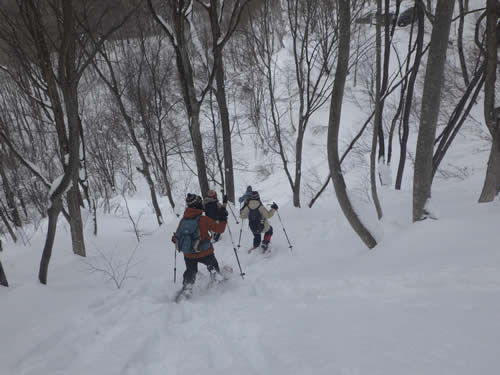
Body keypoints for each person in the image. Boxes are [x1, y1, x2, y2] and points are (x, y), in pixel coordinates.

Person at [172, 193, 228, 287]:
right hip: (205, 252)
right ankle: (215, 277)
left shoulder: (183, 220)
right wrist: (223, 219)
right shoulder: (204, 219)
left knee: (191, 271)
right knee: (213, 264)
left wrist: (175, 239)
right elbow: (220, 229)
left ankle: (187, 287)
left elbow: (177, 236)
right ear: (198, 205)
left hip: (189, 254)